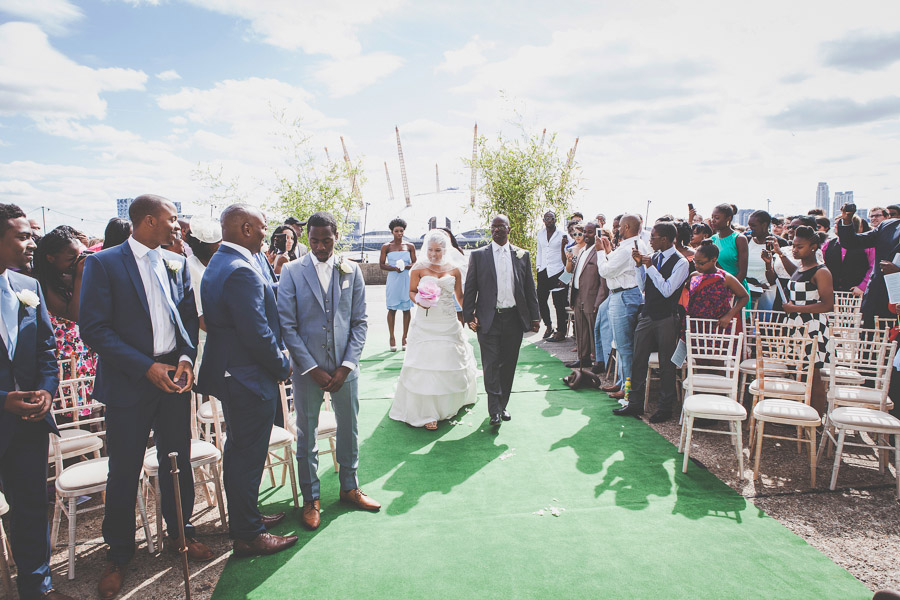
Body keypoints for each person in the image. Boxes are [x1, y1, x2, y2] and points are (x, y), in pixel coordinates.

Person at [80, 194, 208, 600]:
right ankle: (118, 555)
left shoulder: (174, 261)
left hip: (173, 377)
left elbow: (187, 316)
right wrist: (145, 367)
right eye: (173, 219)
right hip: (129, 382)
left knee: (177, 462)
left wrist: (185, 358)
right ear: (149, 220)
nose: (178, 225)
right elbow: (94, 330)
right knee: (124, 470)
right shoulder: (104, 262)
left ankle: (180, 535)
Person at [197, 204, 297, 557]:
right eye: (262, 226)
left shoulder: (228, 260)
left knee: (242, 451)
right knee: (246, 455)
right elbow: (255, 331)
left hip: (237, 372)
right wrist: (282, 364)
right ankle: (248, 534)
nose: (269, 231)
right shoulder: (239, 268)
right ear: (245, 228)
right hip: (247, 375)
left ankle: (247, 517)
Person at [277, 211, 377, 531]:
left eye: (326, 239)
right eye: (315, 240)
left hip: (345, 370)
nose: (320, 246)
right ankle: (311, 498)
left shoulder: (352, 270)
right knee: (306, 434)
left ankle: (349, 487)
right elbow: (288, 326)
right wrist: (310, 368)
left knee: (349, 429)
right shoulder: (292, 272)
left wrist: (347, 366)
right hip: (309, 373)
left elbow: (360, 322)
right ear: (307, 238)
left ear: (336, 237)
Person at [0, 205, 74, 600]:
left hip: (28, 422)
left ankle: (37, 589)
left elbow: (47, 349)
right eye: (23, 236)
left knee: (30, 509)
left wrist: (47, 388)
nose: (32, 243)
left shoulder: (25, 286)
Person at [389, 230, 476, 430]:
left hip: (447, 322)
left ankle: (449, 403)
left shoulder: (453, 270)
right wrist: (420, 301)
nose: (433, 254)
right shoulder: (418, 268)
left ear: (445, 250)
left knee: (447, 360)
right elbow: (411, 291)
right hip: (426, 323)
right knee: (425, 364)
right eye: (430, 250)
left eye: (438, 250)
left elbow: (460, 296)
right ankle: (427, 412)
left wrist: (471, 314)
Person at [463, 214, 540, 427]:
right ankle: (494, 410)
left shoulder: (522, 255)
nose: (497, 230)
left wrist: (535, 317)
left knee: (508, 365)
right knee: (491, 364)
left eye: (501, 227)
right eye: (493, 227)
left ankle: (503, 404)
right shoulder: (479, 256)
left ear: (509, 229)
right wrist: (469, 315)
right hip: (488, 319)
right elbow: (470, 288)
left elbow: (529, 289)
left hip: (513, 319)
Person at [613, 222, 689, 422]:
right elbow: (643, 287)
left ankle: (665, 408)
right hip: (647, 314)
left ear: (664, 239)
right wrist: (639, 266)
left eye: (653, 237)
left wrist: (650, 267)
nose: (650, 241)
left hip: (666, 318)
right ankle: (635, 403)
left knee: (666, 363)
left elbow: (667, 290)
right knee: (638, 360)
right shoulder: (653, 258)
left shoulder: (681, 263)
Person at [778, 226, 834, 415]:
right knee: (798, 371)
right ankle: (801, 413)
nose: (794, 250)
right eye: (793, 245)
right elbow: (798, 277)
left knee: (814, 374)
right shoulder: (802, 267)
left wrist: (795, 308)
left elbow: (827, 305)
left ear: (813, 246)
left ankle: (817, 417)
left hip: (813, 326)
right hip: (796, 325)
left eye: (799, 247)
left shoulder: (821, 271)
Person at [33, 226, 98, 382]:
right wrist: (80, 275)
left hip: (84, 353)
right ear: (51, 258)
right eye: (71, 259)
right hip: (64, 357)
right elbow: (74, 315)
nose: (77, 262)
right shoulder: (43, 283)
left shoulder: (70, 278)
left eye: (80, 256)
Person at [596, 215, 650, 399]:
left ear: (626, 227)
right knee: (621, 344)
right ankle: (621, 382)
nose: (617, 229)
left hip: (623, 295)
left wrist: (600, 252)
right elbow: (616, 267)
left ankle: (628, 388)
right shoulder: (636, 244)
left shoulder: (628, 248)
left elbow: (605, 270)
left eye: (619, 226)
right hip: (625, 293)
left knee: (624, 345)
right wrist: (610, 253)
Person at [836, 203, 900, 327]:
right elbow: (851, 242)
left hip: (896, 302)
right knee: (869, 340)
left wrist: (898, 272)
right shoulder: (887, 226)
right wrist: (847, 220)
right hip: (877, 298)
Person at [183, 216, 222, 364]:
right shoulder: (190, 268)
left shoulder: (214, 265)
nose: (221, 245)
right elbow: (199, 316)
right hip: (204, 337)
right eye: (217, 242)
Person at [686, 242, 749, 328]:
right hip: (695, 324)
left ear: (714, 260)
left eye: (701, 263)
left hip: (717, 325)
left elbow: (744, 296)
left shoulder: (726, 278)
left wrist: (729, 315)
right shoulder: (694, 276)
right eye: (695, 261)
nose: (697, 266)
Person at [565, 222, 600, 369]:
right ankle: (583, 358)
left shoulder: (598, 252)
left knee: (593, 331)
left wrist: (598, 301)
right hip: (578, 295)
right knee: (581, 330)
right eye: (584, 232)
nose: (586, 235)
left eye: (589, 232)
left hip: (592, 297)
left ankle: (599, 361)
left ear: (596, 233)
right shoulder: (582, 250)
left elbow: (602, 281)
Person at [379, 218, 416, 351]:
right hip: (393, 279)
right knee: (392, 309)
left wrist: (406, 266)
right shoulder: (386, 246)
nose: (399, 233)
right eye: (396, 231)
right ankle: (392, 337)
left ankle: (404, 337)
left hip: (406, 278)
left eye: (401, 231)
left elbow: (415, 264)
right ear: (392, 232)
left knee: (407, 309)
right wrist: (394, 268)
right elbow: (382, 265)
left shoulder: (410, 246)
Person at [822, 216, 874, 296]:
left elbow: (873, 268)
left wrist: (862, 286)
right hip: (832, 293)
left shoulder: (866, 245)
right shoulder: (828, 244)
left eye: (839, 223)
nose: (835, 226)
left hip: (857, 294)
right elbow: (822, 266)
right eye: (835, 223)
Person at [710, 203, 750, 308]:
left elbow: (742, 272)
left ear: (728, 218)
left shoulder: (739, 239)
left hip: (736, 289)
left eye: (717, 218)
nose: (713, 220)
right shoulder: (713, 239)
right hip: (717, 289)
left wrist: (730, 291)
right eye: (712, 217)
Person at [536, 211, 567, 341]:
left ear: (555, 220)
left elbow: (569, 255)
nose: (549, 220)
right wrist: (538, 267)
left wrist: (566, 277)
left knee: (558, 303)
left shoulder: (562, 235)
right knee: (541, 300)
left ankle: (561, 331)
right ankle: (548, 326)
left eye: (552, 218)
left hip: (558, 271)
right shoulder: (540, 234)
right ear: (543, 220)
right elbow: (540, 251)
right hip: (543, 270)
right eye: (547, 218)